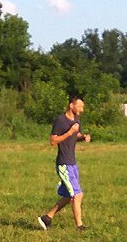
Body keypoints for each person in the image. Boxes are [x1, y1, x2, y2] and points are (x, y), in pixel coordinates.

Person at [37, 95, 91, 231]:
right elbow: (53, 141)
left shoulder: (77, 120)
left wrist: (82, 137)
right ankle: (79, 226)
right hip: (64, 164)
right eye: (80, 107)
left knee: (68, 196)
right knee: (77, 194)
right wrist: (69, 132)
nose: (82, 110)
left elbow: (75, 135)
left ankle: (47, 218)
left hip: (72, 163)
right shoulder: (60, 120)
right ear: (71, 106)